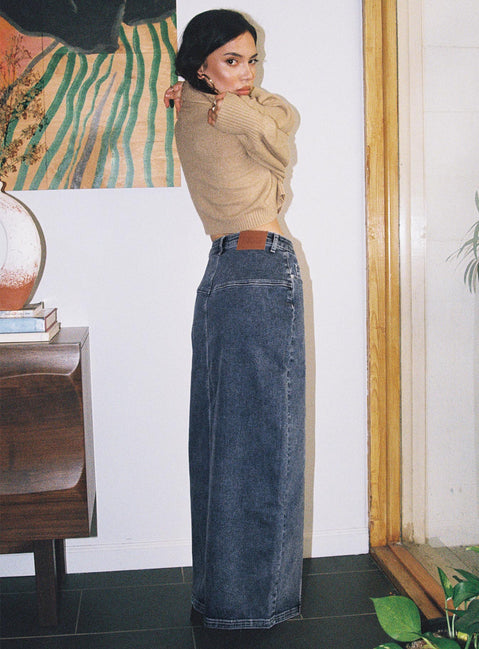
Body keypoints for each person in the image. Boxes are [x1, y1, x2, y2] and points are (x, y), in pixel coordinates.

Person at [164, 9, 305, 630]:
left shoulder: (195, 108)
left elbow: (282, 117)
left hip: (225, 272)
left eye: (252, 60)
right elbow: (284, 142)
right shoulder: (229, 117)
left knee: (223, 441)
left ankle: (221, 596)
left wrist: (220, 95)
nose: (246, 73)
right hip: (260, 268)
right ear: (201, 64)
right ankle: (252, 608)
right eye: (231, 60)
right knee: (265, 442)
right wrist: (250, 112)